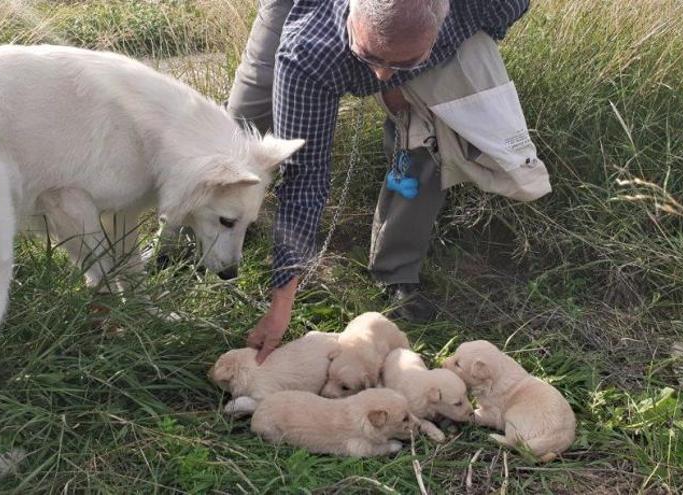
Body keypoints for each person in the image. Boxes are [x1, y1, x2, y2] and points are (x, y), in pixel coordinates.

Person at [227, 0, 552, 362]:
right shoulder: (308, 49)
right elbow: (306, 180)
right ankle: (192, 235)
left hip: (438, 25)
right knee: (243, 121)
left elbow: (510, 11)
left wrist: (420, 69)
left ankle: (396, 269)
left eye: (401, 62)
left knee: (423, 140)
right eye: (369, 57)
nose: (381, 75)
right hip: (316, 28)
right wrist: (282, 303)